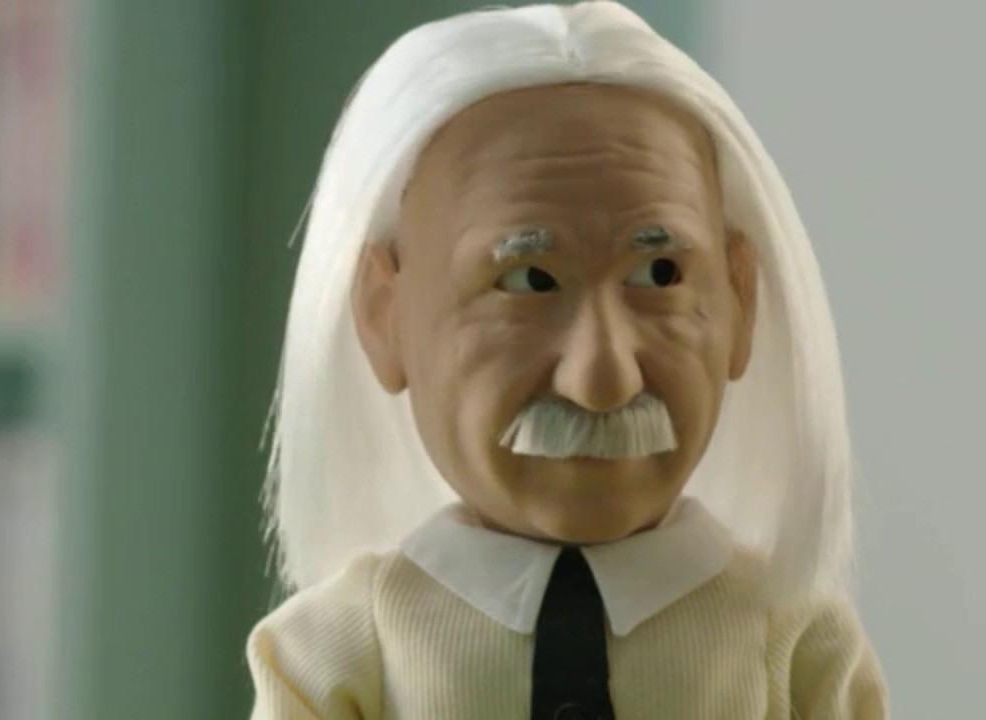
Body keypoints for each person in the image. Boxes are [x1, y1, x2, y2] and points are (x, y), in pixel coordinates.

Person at [246, 3, 888, 718]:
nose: (603, 379)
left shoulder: (797, 646)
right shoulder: (332, 655)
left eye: (660, 275)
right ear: (382, 315)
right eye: (529, 281)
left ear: (741, 300)